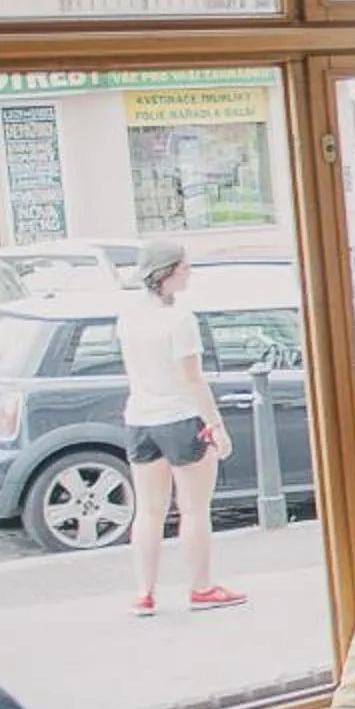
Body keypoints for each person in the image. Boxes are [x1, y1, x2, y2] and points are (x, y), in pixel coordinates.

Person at [120, 238, 244, 615]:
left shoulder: (128, 315)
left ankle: (144, 592)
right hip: (180, 416)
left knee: (149, 510)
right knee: (193, 509)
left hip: (140, 418)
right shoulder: (179, 320)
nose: (189, 273)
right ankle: (201, 587)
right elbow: (192, 378)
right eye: (185, 268)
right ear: (168, 274)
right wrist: (215, 424)